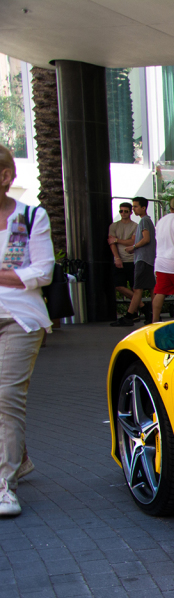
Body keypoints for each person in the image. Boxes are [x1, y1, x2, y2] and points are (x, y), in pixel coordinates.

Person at [0, 143, 53, 517]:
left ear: (5, 177)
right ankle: (19, 457)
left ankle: (4, 484)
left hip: (21, 319)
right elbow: (27, 274)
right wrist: (15, 276)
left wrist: (13, 277)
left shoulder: (32, 217)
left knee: (5, 397)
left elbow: (43, 272)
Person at [111, 197, 156, 327]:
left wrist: (134, 247)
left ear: (143, 207)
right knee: (150, 288)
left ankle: (130, 316)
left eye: (135, 206)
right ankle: (153, 315)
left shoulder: (143, 221)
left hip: (142, 259)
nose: (134, 209)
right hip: (147, 258)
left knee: (137, 288)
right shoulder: (147, 221)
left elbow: (146, 239)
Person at [107, 201, 136, 314]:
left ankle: (136, 310)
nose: (123, 213)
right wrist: (117, 258)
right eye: (121, 211)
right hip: (120, 259)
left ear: (130, 212)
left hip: (131, 259)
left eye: (125, 211)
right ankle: (142, 305)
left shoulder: (135, 226)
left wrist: (117, 240)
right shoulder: (114, 226)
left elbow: (132, 241)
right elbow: (111, 242)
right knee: (119, 285)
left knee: (135, 287)